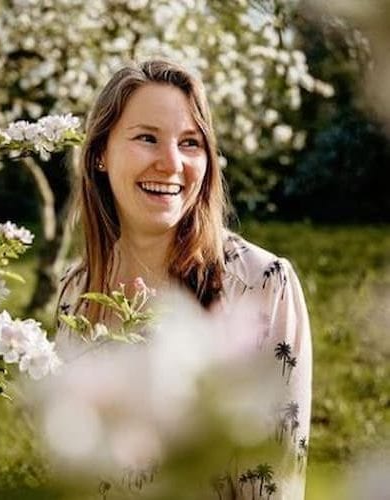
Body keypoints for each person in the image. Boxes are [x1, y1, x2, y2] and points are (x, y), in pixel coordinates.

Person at [56, 59, 312, 499]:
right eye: (146, 138)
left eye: (190, 142)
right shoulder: (75, 293)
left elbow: (274, 482)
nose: (171, 163)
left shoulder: (263, 285)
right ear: (100, 154)